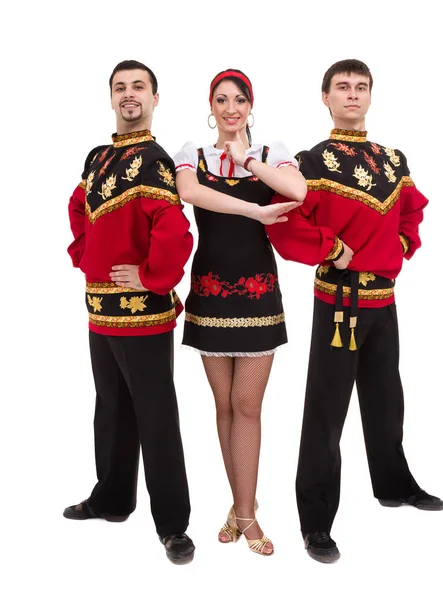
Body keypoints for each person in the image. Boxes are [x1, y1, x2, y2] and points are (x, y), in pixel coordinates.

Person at [266, 59, 443, 563]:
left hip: (383, 300)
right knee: (326, 411)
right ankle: (316, 521)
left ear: (370, 96)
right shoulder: (312, 161)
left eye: (360, 87)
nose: (352, 94)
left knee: (387, 399)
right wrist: (330, 248)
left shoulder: (393, 159)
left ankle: (394, 485)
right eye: (342, 87)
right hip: (338, 302)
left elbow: (411, 209)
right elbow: (283, 225)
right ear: (325, 97)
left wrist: (403, 244)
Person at [65, 60, 195, 565]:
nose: (128, 94)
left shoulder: (156, 160)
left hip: (144, 313)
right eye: (120, 88)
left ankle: (173, 525)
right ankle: (113, 498)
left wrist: (151, 274)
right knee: (111, 406)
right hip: (100, 308)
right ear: (111, 98)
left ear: (155, 98)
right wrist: (86, 256)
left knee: (156, 415)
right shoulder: (98, 158)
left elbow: (175, 229)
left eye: (138, 86)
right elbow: (78, 208)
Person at [173, 68, 306, 556]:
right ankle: (238, 505)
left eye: (240, 100)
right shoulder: (192, 154)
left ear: (251, 106)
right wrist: (254, 210)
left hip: (257, 294)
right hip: (209, 292)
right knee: (224, 406)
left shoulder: (270, 154)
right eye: (222, 100)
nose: (231, 108)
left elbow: (298, 192)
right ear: (212, 106)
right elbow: (190, 193)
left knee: (248, 407)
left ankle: (246, 515)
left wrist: (247, 160)